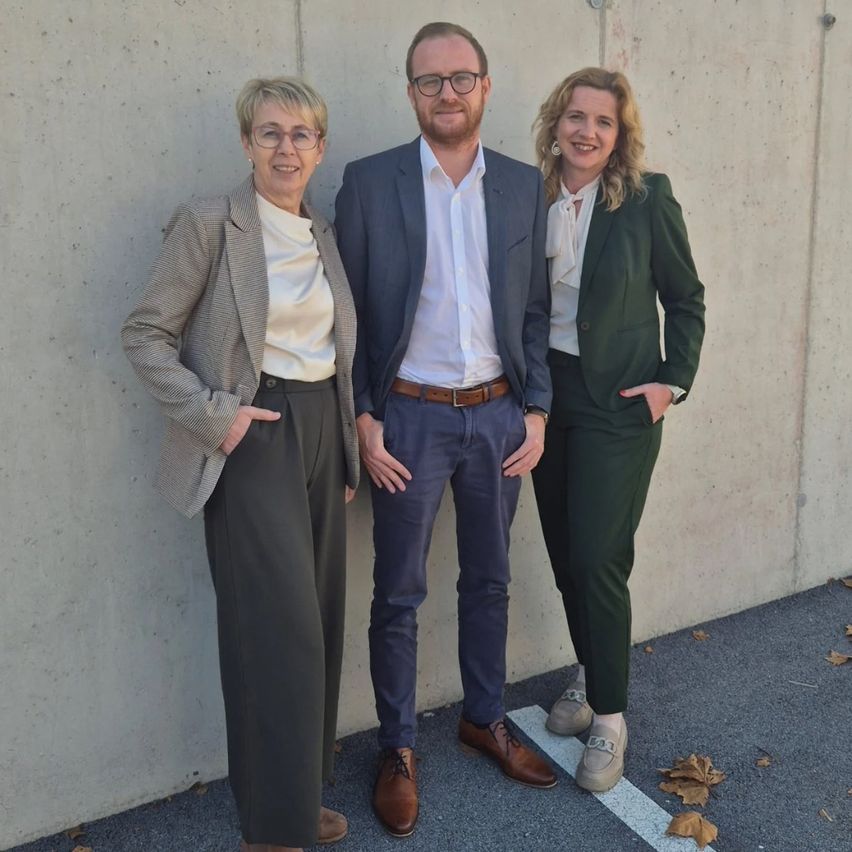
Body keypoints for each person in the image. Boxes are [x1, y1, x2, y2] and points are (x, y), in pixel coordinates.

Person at [121, 77, 359, 852]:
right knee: (276, 631)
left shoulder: (320, 231)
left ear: (320, 148)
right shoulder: (210, 224)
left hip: (323, 430)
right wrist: (216, 420)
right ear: (247, 143)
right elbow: (145, 335)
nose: (285, 147)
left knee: (317, 623)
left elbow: (333, 350)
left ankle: (285, 803)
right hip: (254, 434)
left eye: (300, 134)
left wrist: (345, 450)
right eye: (269, 133)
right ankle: (274, 833)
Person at [335, 21, 556, 838]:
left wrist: (535, 409)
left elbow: (534, 310)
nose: (448, 93)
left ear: (485, 87)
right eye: (430, 81)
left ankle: (484, 717)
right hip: (408, 422)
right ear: (411, 94)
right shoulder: (368, 182)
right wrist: (362, 415)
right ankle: (396, 748)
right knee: (397, 593)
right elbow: (346, 317)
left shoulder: (523, 185)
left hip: (498, 417)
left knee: (490, 581)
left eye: (461, 78)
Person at [530, 68, 705, 792]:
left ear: (620, 133)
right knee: (568, 554)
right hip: (546, 395)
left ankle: (610, 717)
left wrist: (672, 382)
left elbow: (686, 297)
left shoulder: (644, 200)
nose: (587, 132)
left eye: (603, 121)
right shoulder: (528, 196)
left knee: (600, 556)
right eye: (576, 116)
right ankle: (589, 668)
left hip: (618, 403)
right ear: (556, 122)